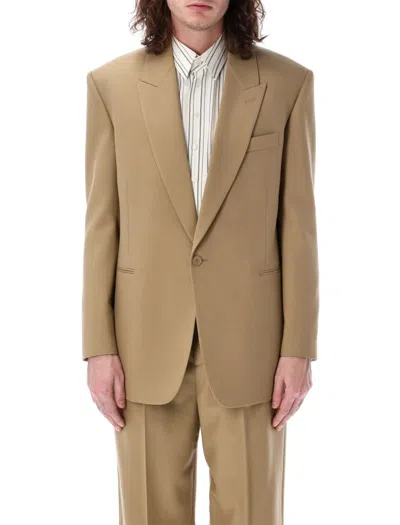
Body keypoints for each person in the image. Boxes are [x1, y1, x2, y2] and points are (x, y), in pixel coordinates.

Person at [82, 1, 319, 523]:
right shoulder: (110, 86)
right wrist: (98, 345)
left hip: (253, 348)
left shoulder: (287, 84)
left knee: (253, 513)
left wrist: (299, 347)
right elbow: (101, 225)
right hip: (142, 345)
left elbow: (299, 228)